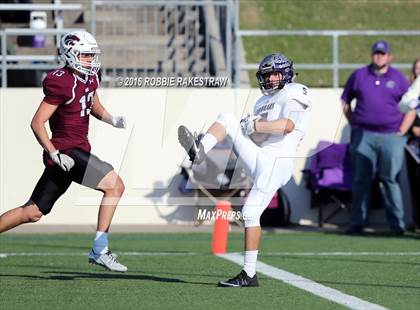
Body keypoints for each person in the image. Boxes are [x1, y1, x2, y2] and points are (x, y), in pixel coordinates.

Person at [178, 53, 311, 287]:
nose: (269, 80)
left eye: (273, 74)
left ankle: (249, 274)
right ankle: (200, 151)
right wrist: (248, 130)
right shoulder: (261, 102)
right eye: (266, 76)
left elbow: (287, 126)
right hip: (261, 156)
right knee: (228, 119)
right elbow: (260, 137)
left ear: (286, 74)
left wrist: (254, 125)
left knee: (250, 213)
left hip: (278, 161)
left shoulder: (295, 91)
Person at [0, 31, 128, 272]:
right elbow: (37, 122)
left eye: (92, 55)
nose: (91, 59)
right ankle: (100, 250)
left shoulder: (90, 77)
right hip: (66, 152)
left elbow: (93, 104)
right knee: (115, 185)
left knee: (32, 212)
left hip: (74, 153)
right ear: (71, 54)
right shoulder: (62, 81)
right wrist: (53, 152)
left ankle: (99, 250)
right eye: (86, 55)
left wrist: (111, 119)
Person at [341, 40, 412, 235]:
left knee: (390, 179)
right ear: (372, 55)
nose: (379, 56)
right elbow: (346, 101)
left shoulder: (398, 78)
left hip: (391, 136)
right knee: (361, 180)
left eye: (383, 53)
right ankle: (357, 222)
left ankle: (397, 224)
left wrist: (402, 130)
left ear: (390, 56)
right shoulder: (359, 75)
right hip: (363, 135)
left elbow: (411, 106)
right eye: (376, 53)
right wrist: (354, 123)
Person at [399, 58, 420, 229]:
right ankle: (416, 221)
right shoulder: (411, 92)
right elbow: (405, 109)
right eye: (417, 68)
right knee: (415, 185)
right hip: (414, 145)